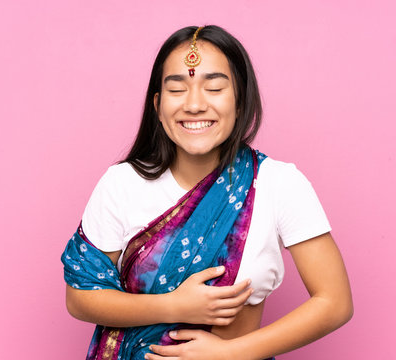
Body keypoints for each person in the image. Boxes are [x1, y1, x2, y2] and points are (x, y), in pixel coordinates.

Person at [61, 25, 353, 360]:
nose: (195, 105)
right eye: (177, 90)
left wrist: (231, 354)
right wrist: (173, 305)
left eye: (214, 88)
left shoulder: (278, 184)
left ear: (241, 100)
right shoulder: (122, 183)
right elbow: (80, 297)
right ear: (157, 105)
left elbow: (334, 302)